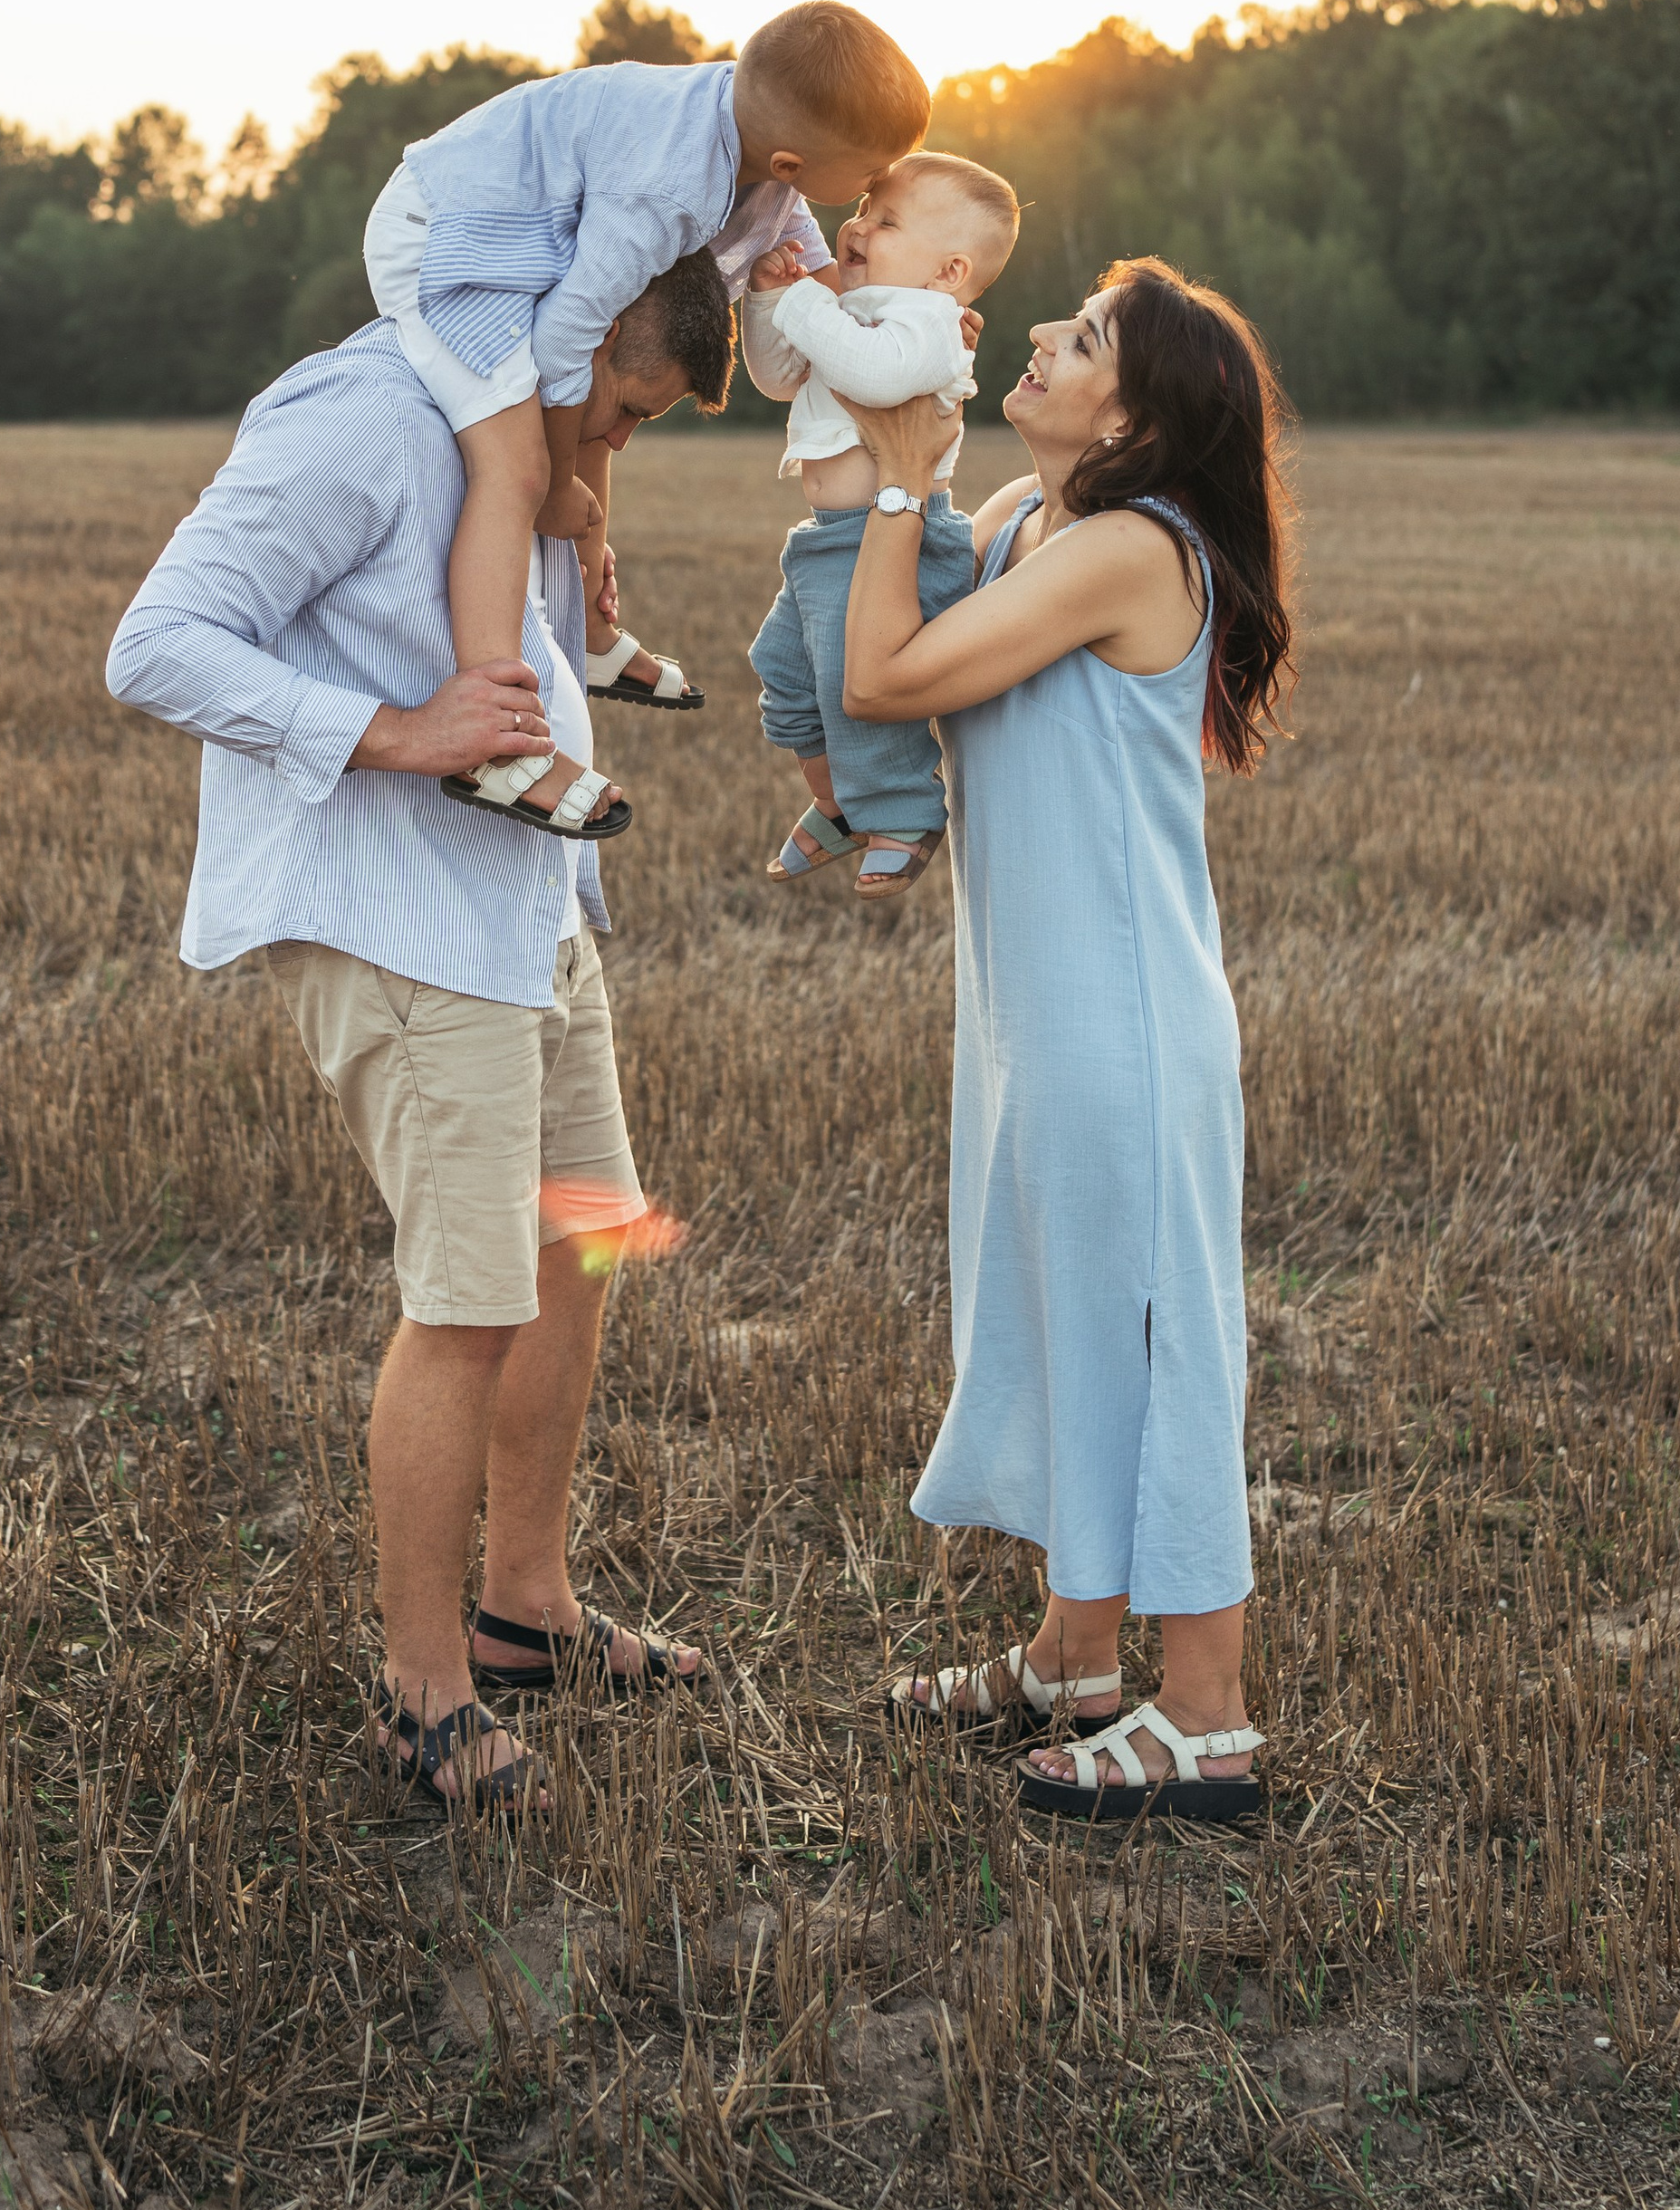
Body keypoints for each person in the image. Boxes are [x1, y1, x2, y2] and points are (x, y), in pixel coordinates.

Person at [102, 253, 733, 1816]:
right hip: (404, 922)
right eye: (630, 406)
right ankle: (423, 1694)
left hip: (526, 908)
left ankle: (526, 1610)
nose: (622, 442)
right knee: (466, 1302)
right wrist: (396, 736)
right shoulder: (360, 416)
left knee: (582, 1243)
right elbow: (157, 644)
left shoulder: (509, 431)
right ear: (578, 340)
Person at [840, 258, 1295, 1822]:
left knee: (1158, 1345)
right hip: (1031, 1019)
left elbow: (887, 669)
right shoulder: (1027, 531)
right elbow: (869, 684)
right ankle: (1075, 1659)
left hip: (1125, 1025)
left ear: (1142, 416)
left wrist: (907, 486)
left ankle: (1211, 1719)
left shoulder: (1125, 553)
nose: (1040, 338)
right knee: (1049, 1321)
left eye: (1082, 337)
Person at [360, 0, 930, 836]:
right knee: (514, 468)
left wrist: (907, 324)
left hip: (527, 231)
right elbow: (564, 338)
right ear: (791, 158)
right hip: (450, 235)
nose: (877, 188)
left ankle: (589, 632)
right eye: (874, 172)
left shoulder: (757, 152)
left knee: (601, 407)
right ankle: (496, 742)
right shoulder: (666, 188)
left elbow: (810, 255)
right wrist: (556, 484)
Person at [739, 150, 1021, 901]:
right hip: (828, 537)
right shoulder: (855, 310)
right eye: (864, 208)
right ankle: (836, 805)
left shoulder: (929, 324)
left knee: (855, 690)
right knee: (787, 678)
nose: (857, 226)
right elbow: (776, 376)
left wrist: (807, 305)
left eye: (886, 221)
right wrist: (769, 304)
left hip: (894, 536)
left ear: (948, 273)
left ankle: (903, 809)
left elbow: (876, 376)